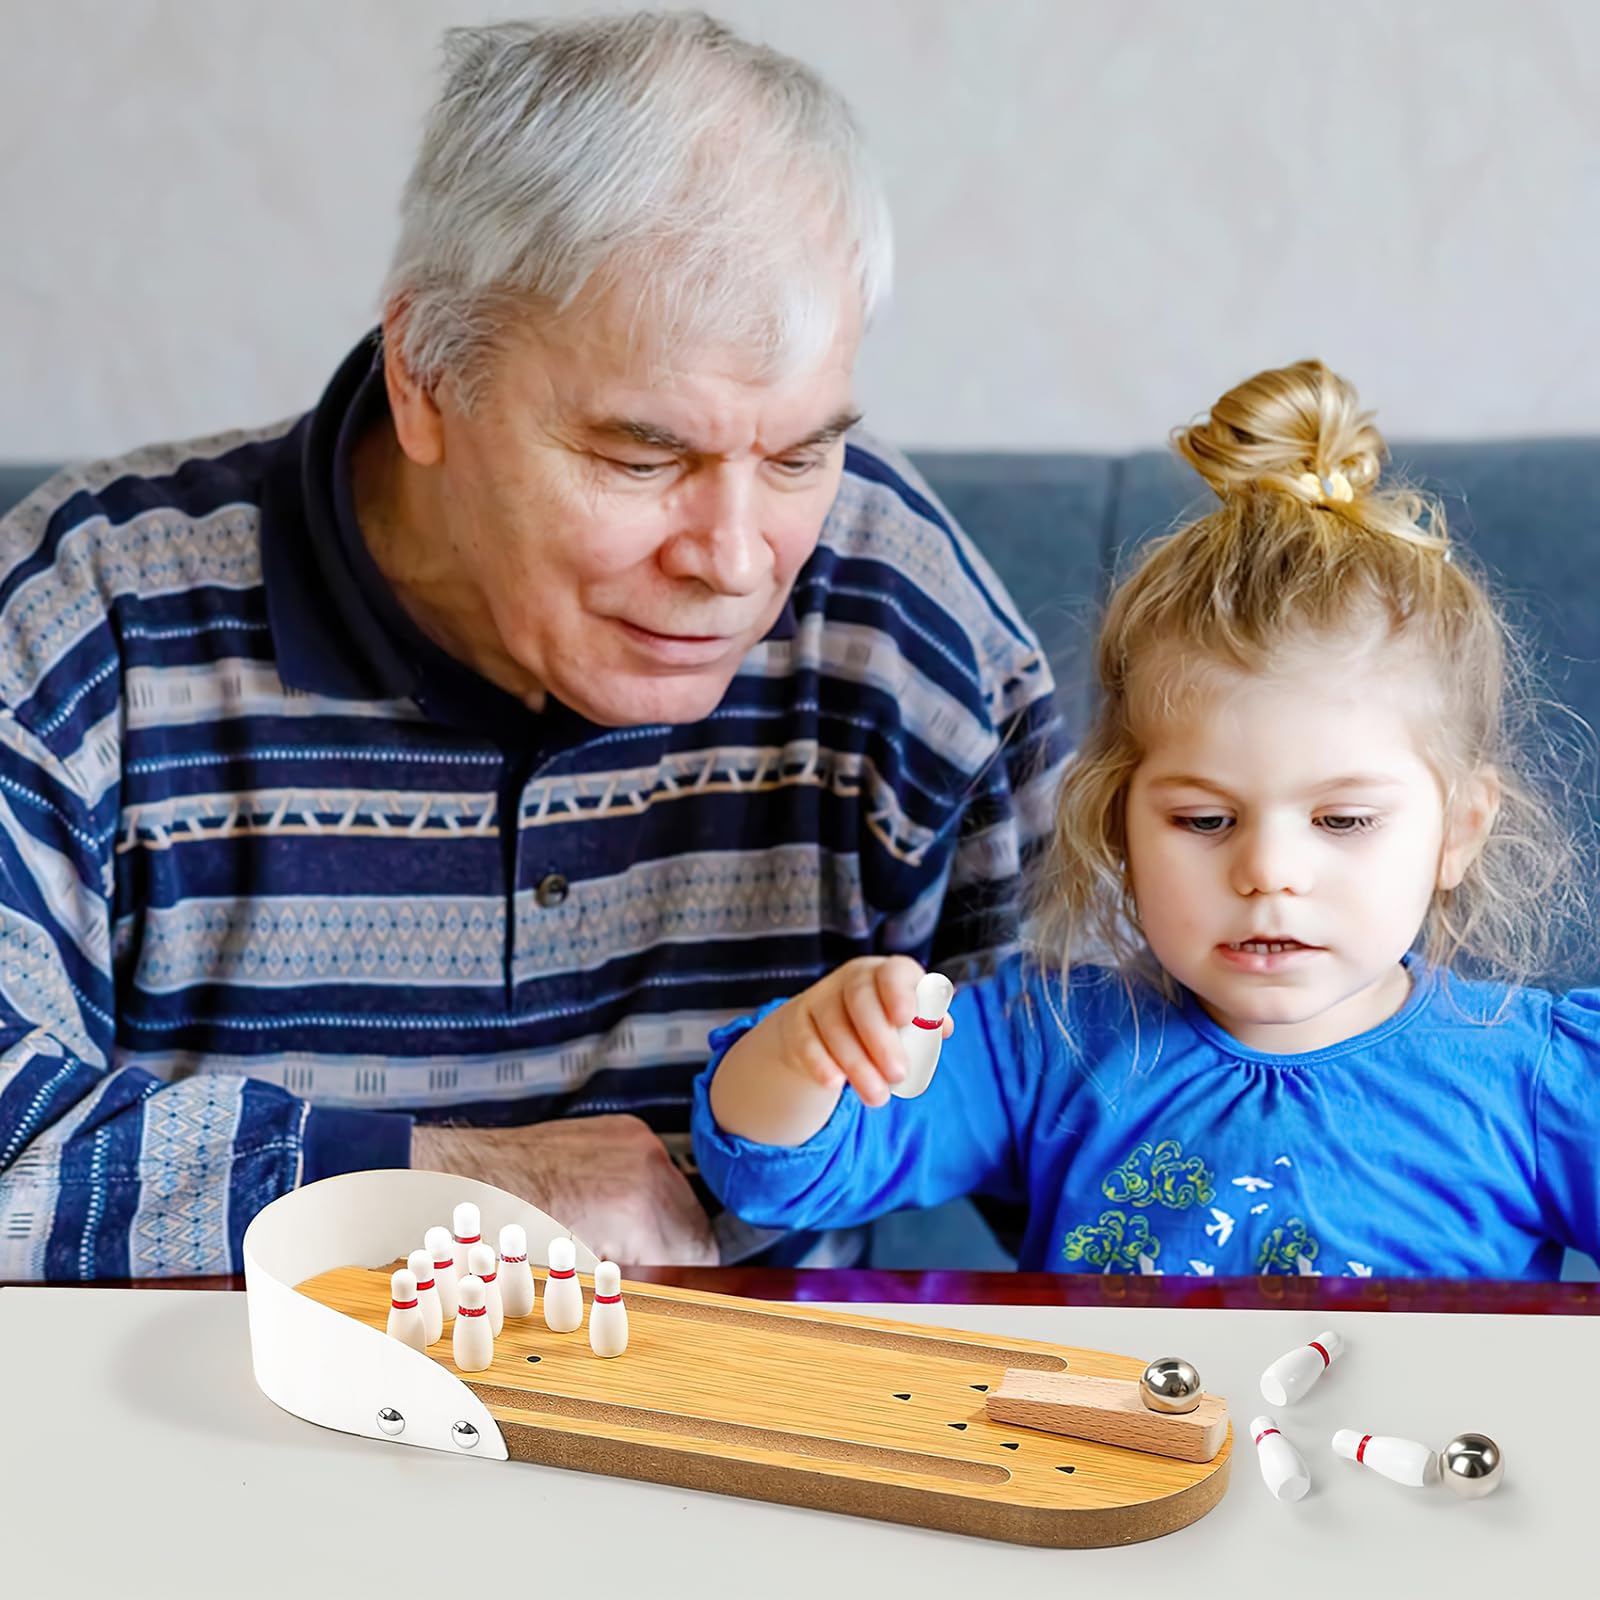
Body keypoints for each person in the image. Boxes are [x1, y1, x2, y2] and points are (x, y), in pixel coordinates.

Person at [0, 13, 1065, 1280]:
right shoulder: (90, 624)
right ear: (427, 380)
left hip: (759, 1456)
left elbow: (1131, 1098)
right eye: (641, 455)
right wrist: (462, 1184)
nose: (734, 559)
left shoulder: (896, 618)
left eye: (795, 455)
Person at [694, 359, 1600, 1279]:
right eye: (1206, 821)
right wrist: (808, 1051)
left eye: (1345, 821)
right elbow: (774, 1177)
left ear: (1459, 830)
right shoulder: (1042, 1041)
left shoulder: (1536, 1079)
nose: (1270, 872)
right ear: (1118, 824)